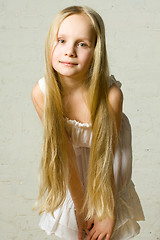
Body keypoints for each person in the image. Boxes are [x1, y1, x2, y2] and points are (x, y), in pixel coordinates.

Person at [31, 5, 145, 240]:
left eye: (82, 44)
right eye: (61, 40)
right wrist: (81, 208)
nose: (69, 51)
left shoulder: (110, 96)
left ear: (96, 51)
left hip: (108, 169)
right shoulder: (42, 94)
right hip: (72, 170)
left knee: (107, 232)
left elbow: (107, 157)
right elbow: (65, 154)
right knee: (77, 229)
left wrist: (106, 209)